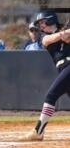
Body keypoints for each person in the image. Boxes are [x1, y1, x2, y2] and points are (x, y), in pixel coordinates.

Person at [18, 10, 70, 141]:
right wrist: (63, 34)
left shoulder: (66, 30)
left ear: (51, 19)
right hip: (63, 69)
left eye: (42, 22)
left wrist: (67, 33)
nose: (40, 25)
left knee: (51, 95)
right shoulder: (44, 38)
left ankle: (38, 131)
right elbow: (51, 39)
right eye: (39, 23)